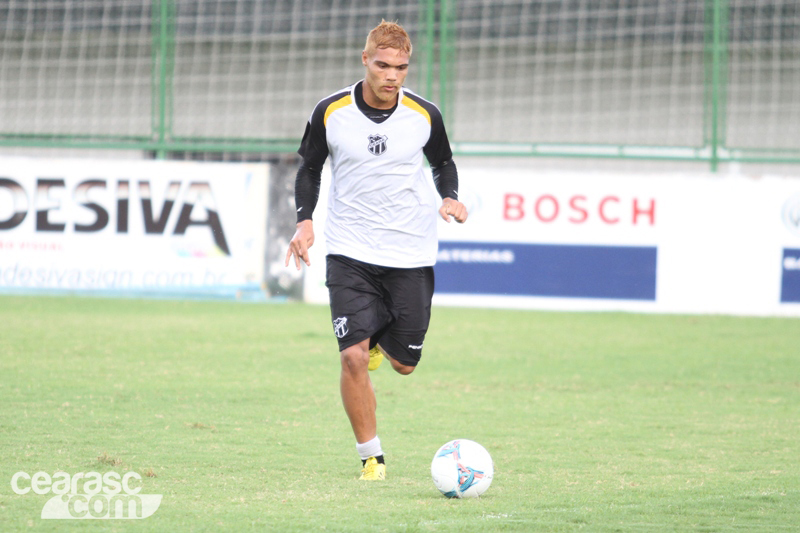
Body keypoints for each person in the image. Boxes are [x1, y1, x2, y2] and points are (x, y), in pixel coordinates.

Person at [285, 20, 468, 481]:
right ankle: (372, 457)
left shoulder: (425, 114)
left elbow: (443, 162)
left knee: (405, 364)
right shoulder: (330, 111)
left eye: (401, 68)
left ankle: (379, 343)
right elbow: (310, 167)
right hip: (349, 250)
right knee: (351, 355)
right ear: (365, 60)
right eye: (383, 65)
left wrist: (450, 196)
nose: (392, 75)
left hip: (410, 252)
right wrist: (305, 220)